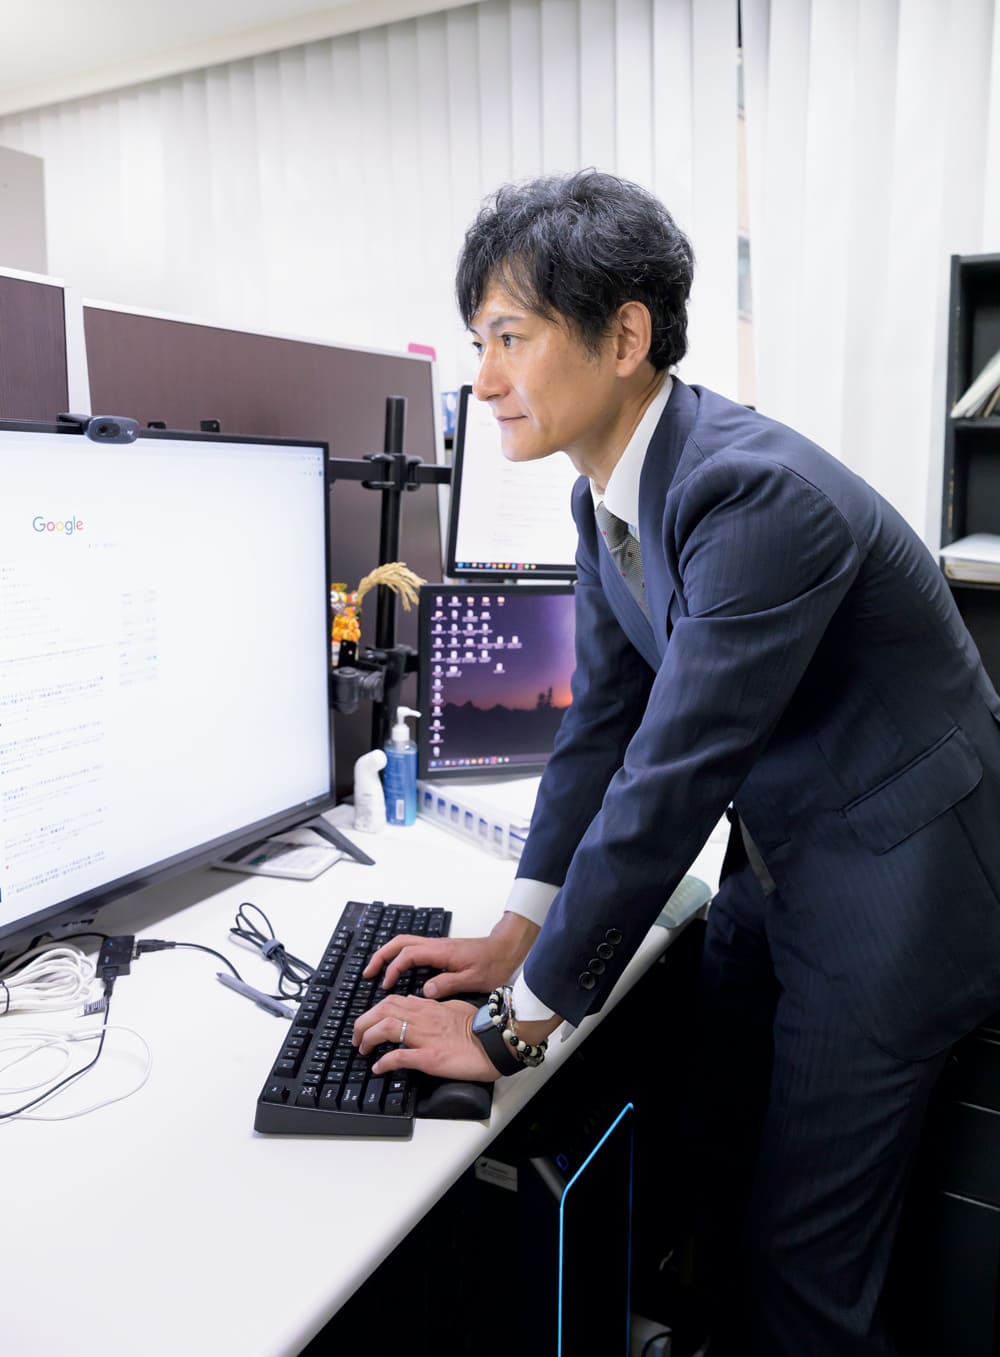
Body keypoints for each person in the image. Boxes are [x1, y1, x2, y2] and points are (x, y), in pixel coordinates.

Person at [353, 169, 1000, 1354]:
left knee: (806, 1266)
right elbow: (603, 721)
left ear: (623, 338)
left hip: (894, 882)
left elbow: (670, 776)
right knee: (713, 1168)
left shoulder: (752, 495)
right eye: (477, 342)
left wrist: (511, 1027)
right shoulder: (605, 493)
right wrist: (517, 934)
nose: (482, 380)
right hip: (783, 852)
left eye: (510, 337)